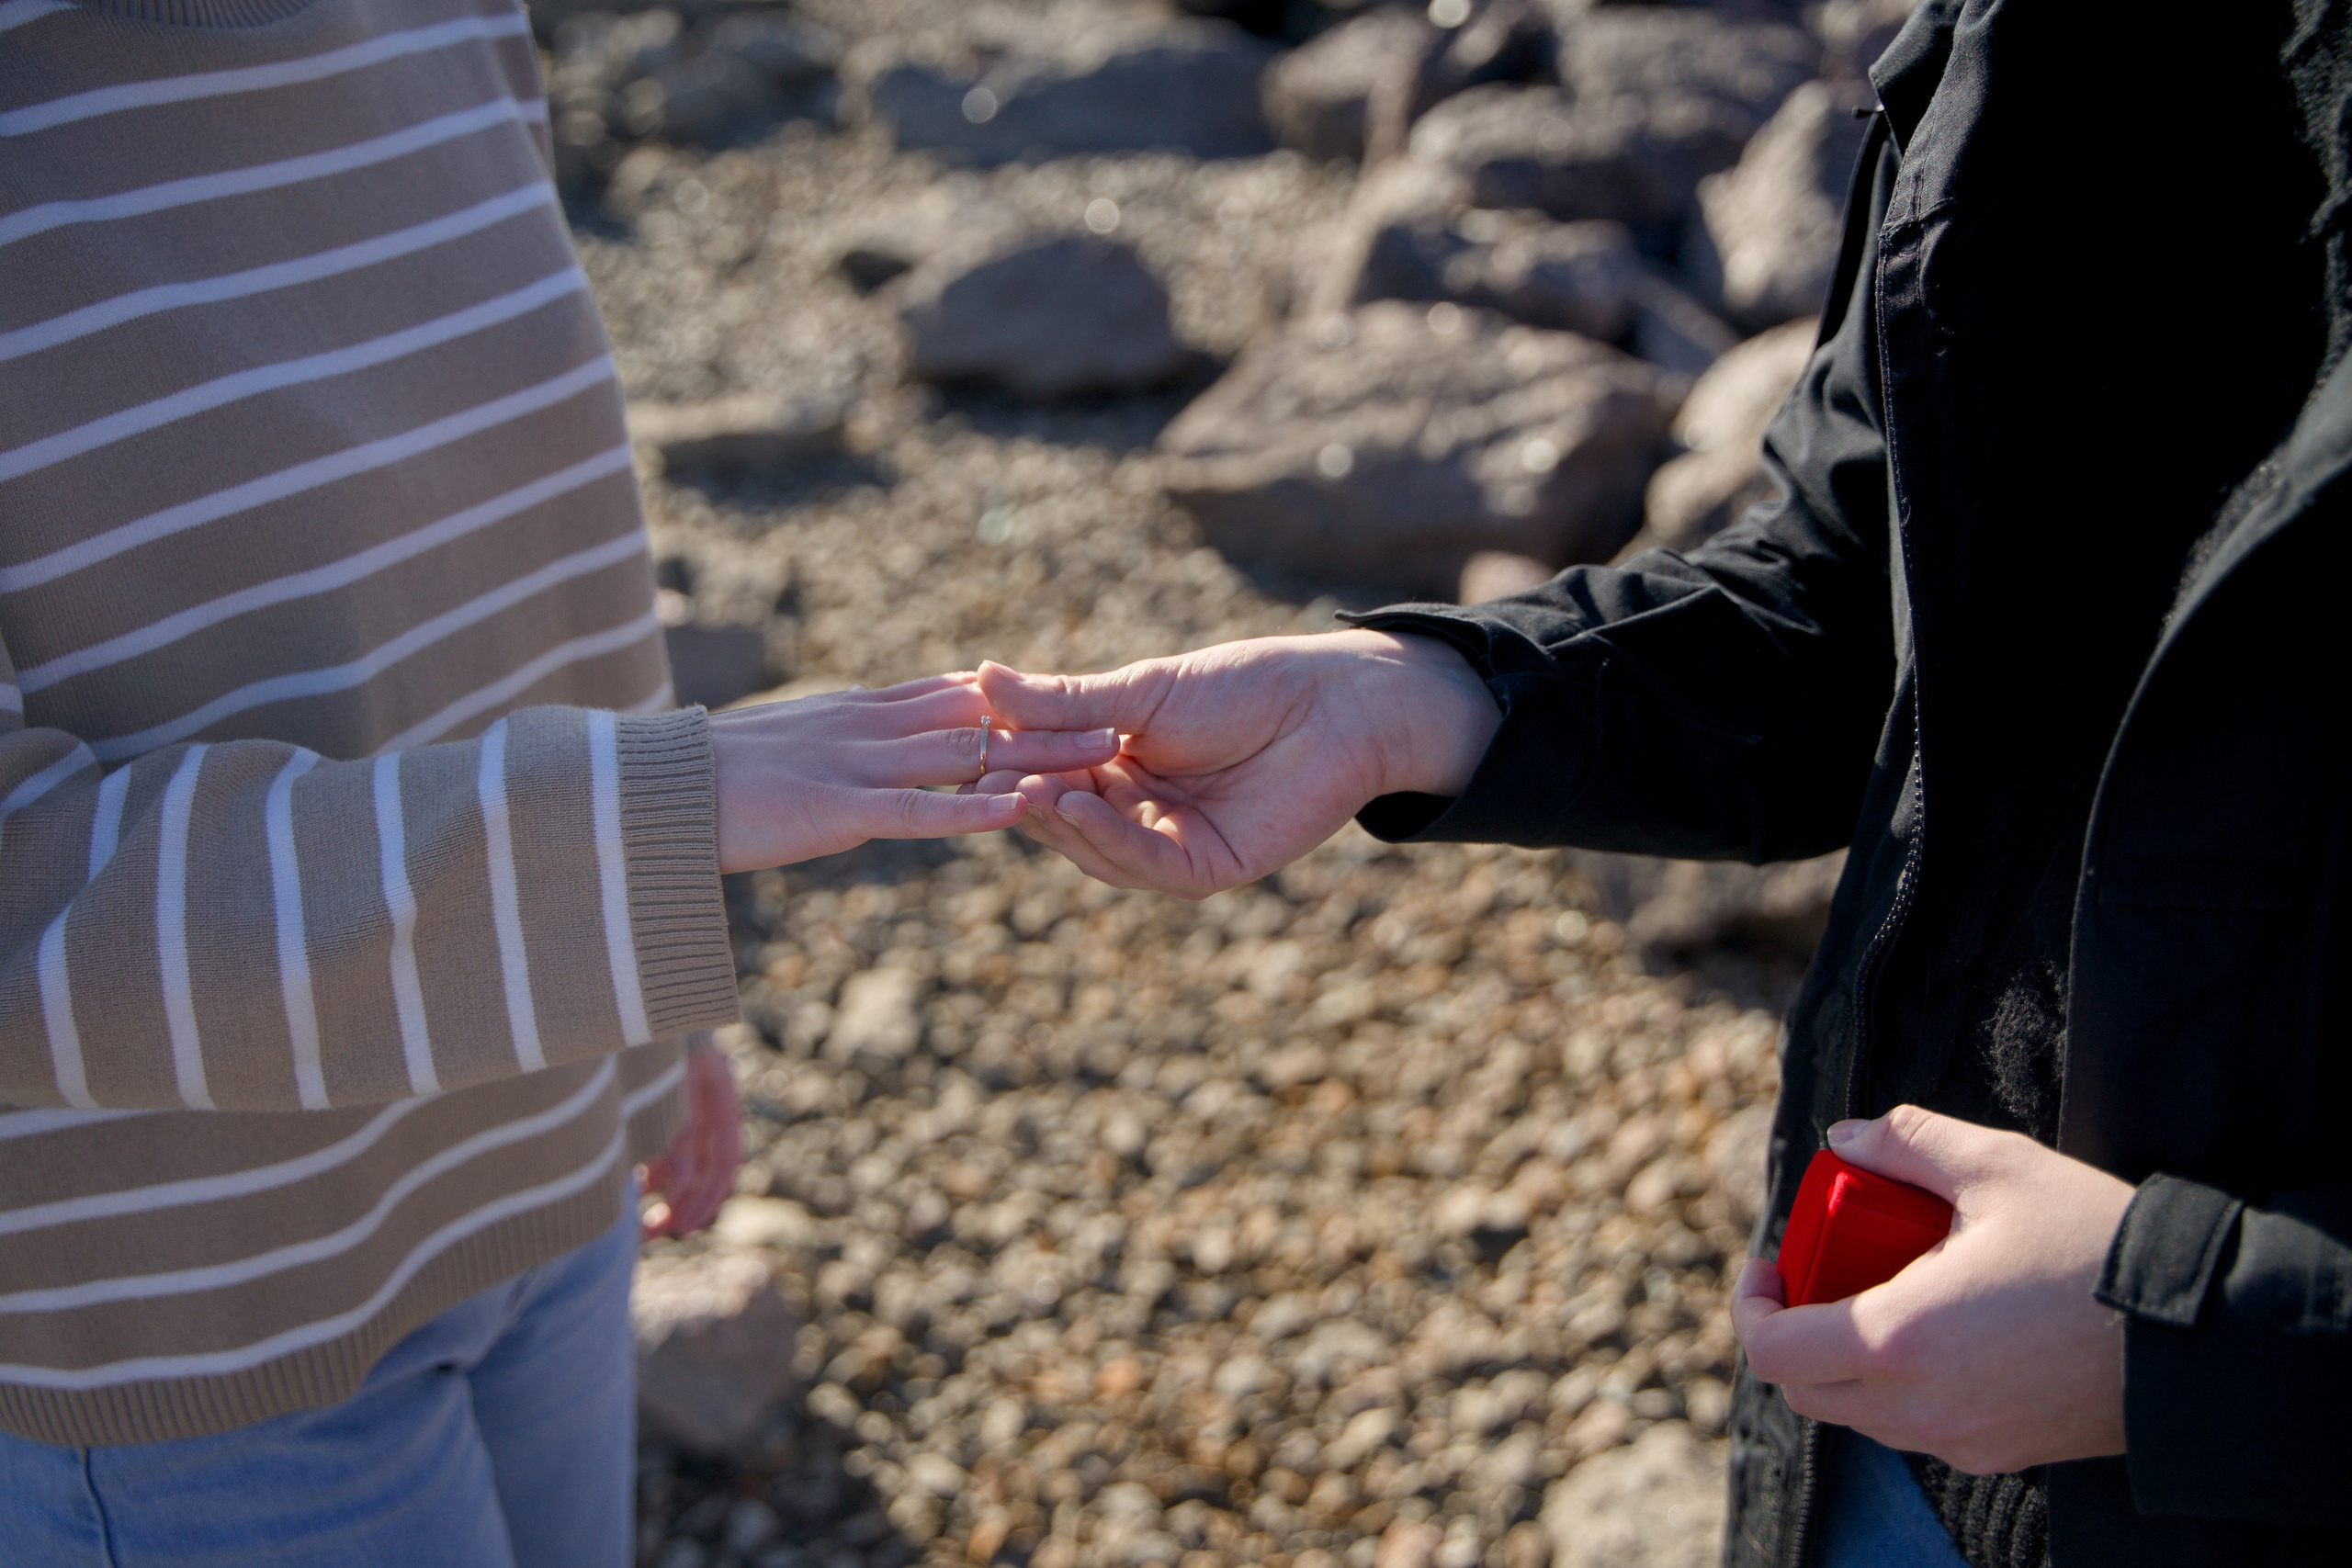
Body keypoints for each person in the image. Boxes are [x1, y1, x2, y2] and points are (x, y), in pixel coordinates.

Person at [969, 3, 2352, 1562]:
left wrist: (2199, 1342)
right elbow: (1851, 611)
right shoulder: (2020, 37)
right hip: (1889, 1395)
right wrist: (1420, 697)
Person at [0, 4, 1117, 1563]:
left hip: (547, 1170)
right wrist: (652, 827)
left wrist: (643, 1003)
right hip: (203, 1332)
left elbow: (545, 530)